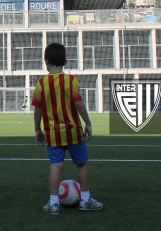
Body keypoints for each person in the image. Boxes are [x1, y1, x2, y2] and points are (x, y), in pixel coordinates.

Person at [32, 43, 102, 214]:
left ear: (46, 61)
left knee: (56, 166)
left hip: (53, 134)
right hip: (73, 131)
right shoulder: (71, 81)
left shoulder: (41, 84)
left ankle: (54, 203)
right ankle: (85, 200)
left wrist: (37, 129)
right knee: (82, 163)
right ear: (65, 61)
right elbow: (79, 103)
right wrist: (88, 123)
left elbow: (37, 110)